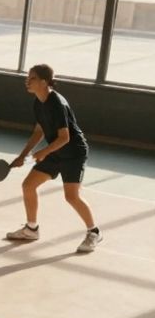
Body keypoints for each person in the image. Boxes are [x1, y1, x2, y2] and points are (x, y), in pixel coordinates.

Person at [5, 64, 101, 253]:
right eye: (28, 77)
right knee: (28, 185)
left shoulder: (56, 102)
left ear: (43, 82)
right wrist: (22, 155)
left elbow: (65, 137)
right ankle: (31, 229)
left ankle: (94, 232)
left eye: (31, 78)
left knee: (71, 196)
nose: (27, 81)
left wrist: (44, 152)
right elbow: (39, 130)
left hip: (74, 152)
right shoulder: (38, 102)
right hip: (56, 151)